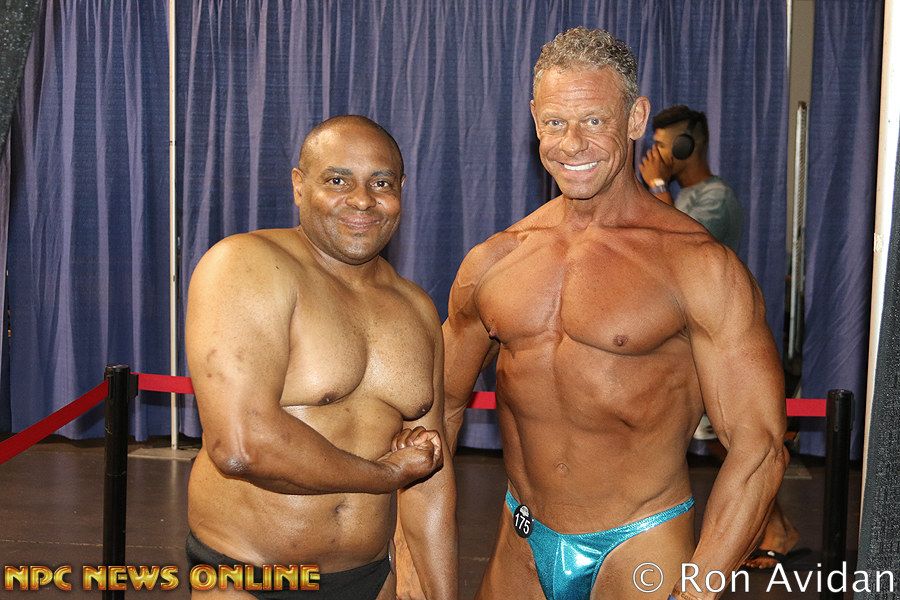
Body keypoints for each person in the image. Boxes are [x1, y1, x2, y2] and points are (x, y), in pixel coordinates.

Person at [441, 27, 787, 600]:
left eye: (594, 120)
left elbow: (760, 446)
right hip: (519, 538)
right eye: (555, 122)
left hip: (640, 545)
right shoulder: (496, 259)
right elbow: (439, 408)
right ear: (534, 120)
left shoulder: (697, 265)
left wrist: (697, 591)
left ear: (635, 118)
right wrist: (417, 560)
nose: (572, 143)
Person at [185, 115, 457, 600]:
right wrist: (386, 474)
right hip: (249, 576)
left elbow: (430, 477)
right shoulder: (246, 264)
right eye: (338, 180)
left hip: (369, 580)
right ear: (299, 185)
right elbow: (242, 445)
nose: (362, 200)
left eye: (381, 183)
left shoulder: (417, 308)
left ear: (402, 190)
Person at [642, 106, 801, 572]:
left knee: (738, 440)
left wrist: (657, 187)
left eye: (664, 144)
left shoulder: (717, 197)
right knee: (718, 440)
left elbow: (683, 250)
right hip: (686, 341)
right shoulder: (680, 197)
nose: (656, 154)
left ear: (689, 144)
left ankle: (777, 528)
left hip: (717, 341)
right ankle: (771, 526)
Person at [638, 105, 742, 251]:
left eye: (660, 145)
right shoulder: (684, 193)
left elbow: (683, 246)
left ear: (684, 147)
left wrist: (657, 184)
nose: (654, 153)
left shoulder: (717, 197)